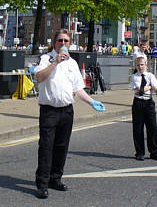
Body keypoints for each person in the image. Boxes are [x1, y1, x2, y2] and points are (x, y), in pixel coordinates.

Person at [34, 29, 105, 199]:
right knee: (46, 147)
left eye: (66, 41)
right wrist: (55, 63)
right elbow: (39, 77)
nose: (63, 44)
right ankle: (42, 184)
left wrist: (91, 101)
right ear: (54, 42)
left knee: (61, 147)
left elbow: (77, 89)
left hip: (66, 110)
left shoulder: (72, 63)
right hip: (49, 110)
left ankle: (55, 179)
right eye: (60, 41)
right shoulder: (46, 59)